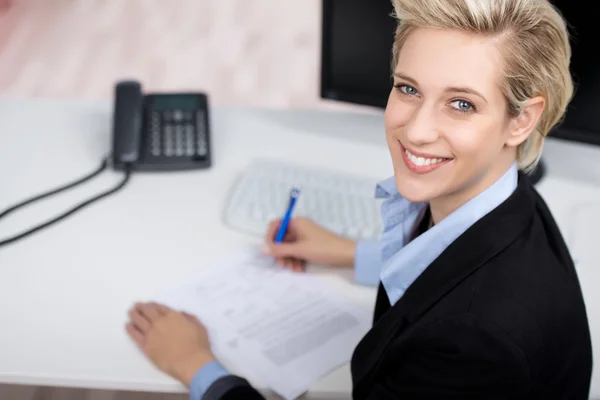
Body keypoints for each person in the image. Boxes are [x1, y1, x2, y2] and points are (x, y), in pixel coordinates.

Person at [125, 0, 593, 398]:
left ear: (521, 121)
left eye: (462, 104)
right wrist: (354, 254)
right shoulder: (509, 197)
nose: (416, 130)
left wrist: (197, 366)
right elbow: (454, 272)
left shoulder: (472, 347)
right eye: (408, 88)